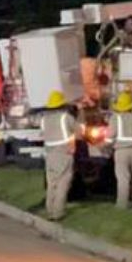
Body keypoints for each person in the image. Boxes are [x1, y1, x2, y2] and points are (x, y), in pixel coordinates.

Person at [40, 90, 76, 221]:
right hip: (63, 153)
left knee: (52, 182)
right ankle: (58, 212)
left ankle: (49, 210)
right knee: (63, 182)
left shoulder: (44, 119)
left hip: (49, 153)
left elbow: (42, 134)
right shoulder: (66, 117)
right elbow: (76, 130)